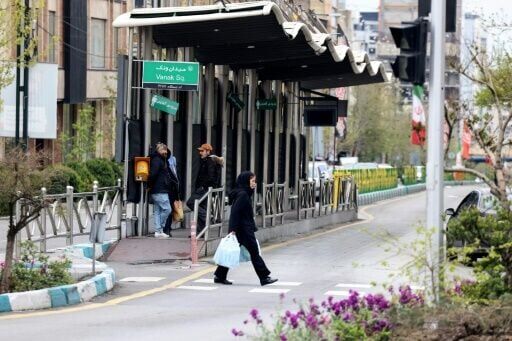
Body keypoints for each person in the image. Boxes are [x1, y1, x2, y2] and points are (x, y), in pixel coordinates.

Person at [213, 171, 278, 286]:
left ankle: (220, 275)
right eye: (252, 181)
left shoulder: (244, 193)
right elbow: (235, 212)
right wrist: (232, 230)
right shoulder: (243, 195)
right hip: (243, 229)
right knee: (254, 252)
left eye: (254, 181)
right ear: (246, 181)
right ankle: (264, 277)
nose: (254, 183)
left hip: (241, 229)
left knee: (233, 251)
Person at [187, 143, 223, 234]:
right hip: (205, 188)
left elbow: (211, 177)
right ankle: (201, 232)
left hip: (205, 189)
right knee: (201, 207)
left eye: (202, 151)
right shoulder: (208, 160)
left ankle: (208, 216)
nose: (200, 153)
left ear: (208, 151)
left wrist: (203, 186)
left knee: (191, 203)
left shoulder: (210, 161)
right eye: (200, 151)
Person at [148, 143, 172, 238]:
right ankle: (159, 228)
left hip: (158, 189)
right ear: (159, 150)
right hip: (160, 189)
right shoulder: (158, 160)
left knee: (158, 211)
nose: (165, 152)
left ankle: (158, 232)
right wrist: (150, 185)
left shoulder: (159, 159)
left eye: (166, 150)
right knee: (167, 209)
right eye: (163, 150)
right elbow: (153, 174)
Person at [163, 147, 180, 236]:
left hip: (169, 191)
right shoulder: (171, 163)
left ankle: (166, 229)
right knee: (169, 210)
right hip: (172, 191)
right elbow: (175, 178)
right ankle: (167, 229)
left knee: (167, 210)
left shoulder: (166, 164)